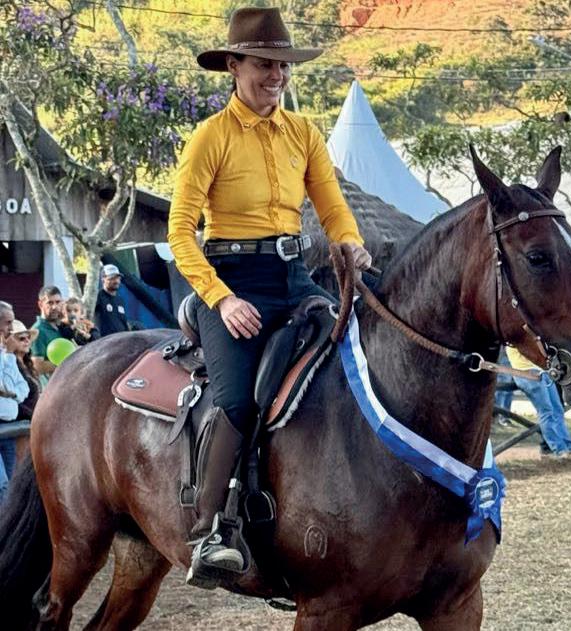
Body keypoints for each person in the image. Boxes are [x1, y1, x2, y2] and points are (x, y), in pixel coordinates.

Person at [168, 6, 371, 585]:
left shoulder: (304, 133)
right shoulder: (210, 136)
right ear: (234, 66)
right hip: (231, 281)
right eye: (263, 64)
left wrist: (351, 243)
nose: (276, 76)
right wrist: (221, 298)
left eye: (282, 66)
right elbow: (180, 231)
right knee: (237, 400)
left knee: (354, 354)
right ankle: (212, 529)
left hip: (293, 277)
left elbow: (332, 207)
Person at [506, 346, 571, 457]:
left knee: (557, 409)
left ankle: (570, 447)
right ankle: (559, 449)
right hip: (527, 373)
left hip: (542, 371)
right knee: (546, 412)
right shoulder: (515, 339)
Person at [0, 301, 29, 504]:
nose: (11, 328)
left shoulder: (6, 354)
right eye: (8, 322)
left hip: (8, 429)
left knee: (10, 485)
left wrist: (10, 394)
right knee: (2, 485)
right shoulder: (6, 355)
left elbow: (23, 390)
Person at [4, 320, 40, 421]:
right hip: (18, 423)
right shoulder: (7, 365)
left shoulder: (28, 365)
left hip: (33, 420)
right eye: (21, 338)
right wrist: (34, 416)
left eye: (28, 337)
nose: (27, 341)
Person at [30, 285, 65, 389]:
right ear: (40, 304)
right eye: (50, 303)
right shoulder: (38, 330)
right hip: (50, 390)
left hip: (65, 386)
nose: (54, 307)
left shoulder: (62, 328)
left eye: (58, 302)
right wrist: (68, 362)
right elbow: (37, 366)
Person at [94, 264, 128, 336]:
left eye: (118, 278)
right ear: (103, 279)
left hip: (122, 339)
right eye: (112, 278)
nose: (116, 281)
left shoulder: (120, 300)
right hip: (106, 340)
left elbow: (123, 322)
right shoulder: (98, 297)